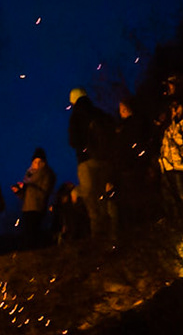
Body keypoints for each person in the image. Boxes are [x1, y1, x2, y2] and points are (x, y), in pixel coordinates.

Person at [68, 87, 118, 242]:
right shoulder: (98, 112)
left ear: (73, 100)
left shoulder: (76, 116)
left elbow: (73, 141)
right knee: (105, 195)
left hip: (86, 161)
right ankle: (114, 231)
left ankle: (98, 234)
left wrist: (84, 148)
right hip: (105, 159)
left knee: (91, 197)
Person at [12, 149, 56, 247]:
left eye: (40, 161)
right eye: (35, 161)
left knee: (34, 232)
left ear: (44, 162)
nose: (37, 164)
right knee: (27, 232)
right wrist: (18, 191)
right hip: (27, 207)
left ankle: (36, 250)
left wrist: (28, 187)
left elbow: (44, 192)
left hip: (38, 207)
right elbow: (25, 196)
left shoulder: (46, 174)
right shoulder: (29, 174)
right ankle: (30, 250)